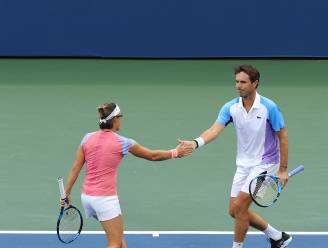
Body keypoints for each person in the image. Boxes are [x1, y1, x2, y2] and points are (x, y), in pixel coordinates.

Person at [181, 65, 292, 248]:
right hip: (244, 164)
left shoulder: (269, 107)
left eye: (243, 82)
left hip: (265, 162)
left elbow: (283, 137)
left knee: (240, 206)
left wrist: (283, 170)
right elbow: (214, 129)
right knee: (234, 210)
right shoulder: (230, 107)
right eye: (236, 82)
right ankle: (277, 236)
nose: (238, 86)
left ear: (255, 83)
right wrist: (195, 143)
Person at [61, 102, 193, 248]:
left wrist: (66, 193)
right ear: (116, 119)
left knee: (118, 237)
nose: (121, 119)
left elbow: (75, 168)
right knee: (114, 243)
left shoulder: (86, 138)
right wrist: (176, 153)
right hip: (105, 199)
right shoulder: (123, 142)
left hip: (87, 197)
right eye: (121, 116)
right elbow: (153, 155)